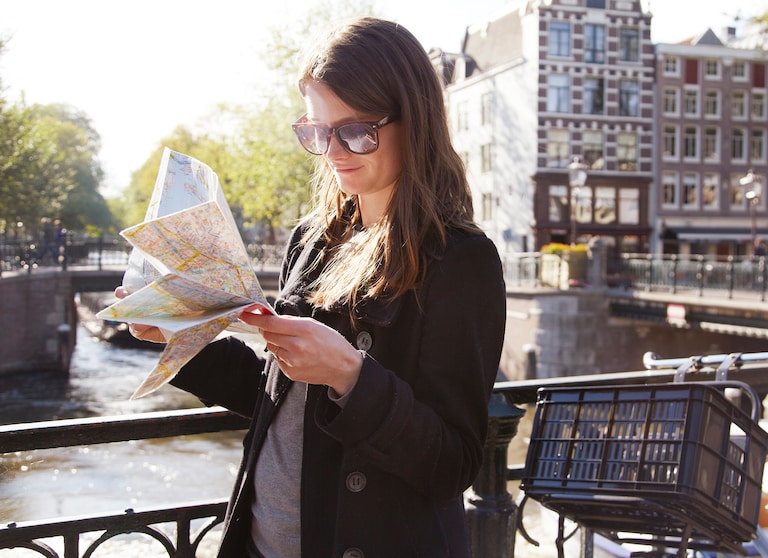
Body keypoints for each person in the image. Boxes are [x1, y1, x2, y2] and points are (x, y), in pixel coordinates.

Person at [117, 17, 506, 558]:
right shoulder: (313, 238)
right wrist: (182, 337)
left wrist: (350, 375)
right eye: (318, 132)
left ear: (413, 122)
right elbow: (278, 398)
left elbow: (453, 462)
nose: (335, 151)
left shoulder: (461, 261)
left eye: (355, 131)